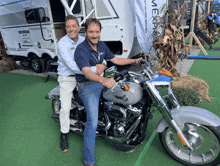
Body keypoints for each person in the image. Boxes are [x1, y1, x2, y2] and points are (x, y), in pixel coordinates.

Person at [74, 18, 141, 166]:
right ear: (86, 32)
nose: (94, 35)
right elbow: (87, 73)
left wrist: (134, 61)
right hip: (87, 85)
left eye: (97, 31)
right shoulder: (81, 50)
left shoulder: (102, 45)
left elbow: (116, 60)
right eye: (91, 32)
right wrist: (103, 80)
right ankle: (88, 160)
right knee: (92, 121)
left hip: (101, 82)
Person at [57, 15, 106, 153]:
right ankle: (64, 134)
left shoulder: (86, 40)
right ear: (65, 29)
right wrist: (94, 69)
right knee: (65, 107)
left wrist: (103, 64)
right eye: (68, 27)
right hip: (68, 77)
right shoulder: (62, 44)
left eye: (74, 26)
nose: (71, 29)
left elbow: (100, 54)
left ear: (79, 28)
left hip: (85, 77)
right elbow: (73, 66)